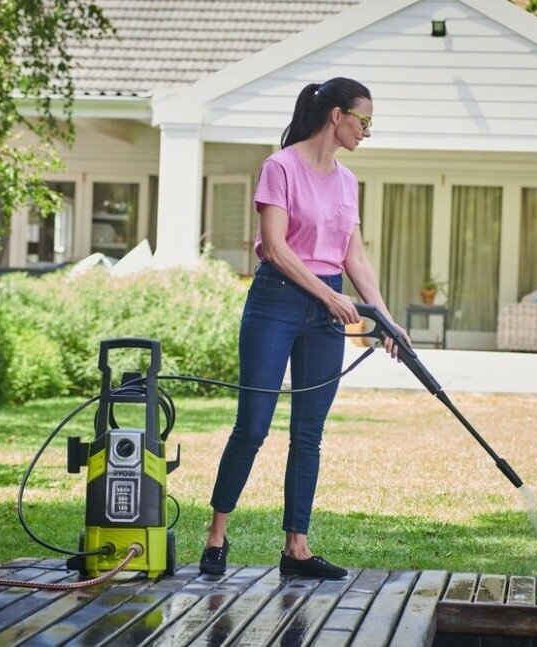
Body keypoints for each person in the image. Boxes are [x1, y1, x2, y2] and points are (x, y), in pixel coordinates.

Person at [199, 77, 410, 580]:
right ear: (337, 116)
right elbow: (274, 248)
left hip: (326, 309)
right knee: (252, 426)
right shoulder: (281, 167)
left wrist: (382, 315)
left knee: (308, 432)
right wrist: (329, 296)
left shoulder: (348, 181)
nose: (367, 131)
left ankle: (296, 548)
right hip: (277, 300)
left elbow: (354, 255)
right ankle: (216, 537)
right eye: (364, 120)